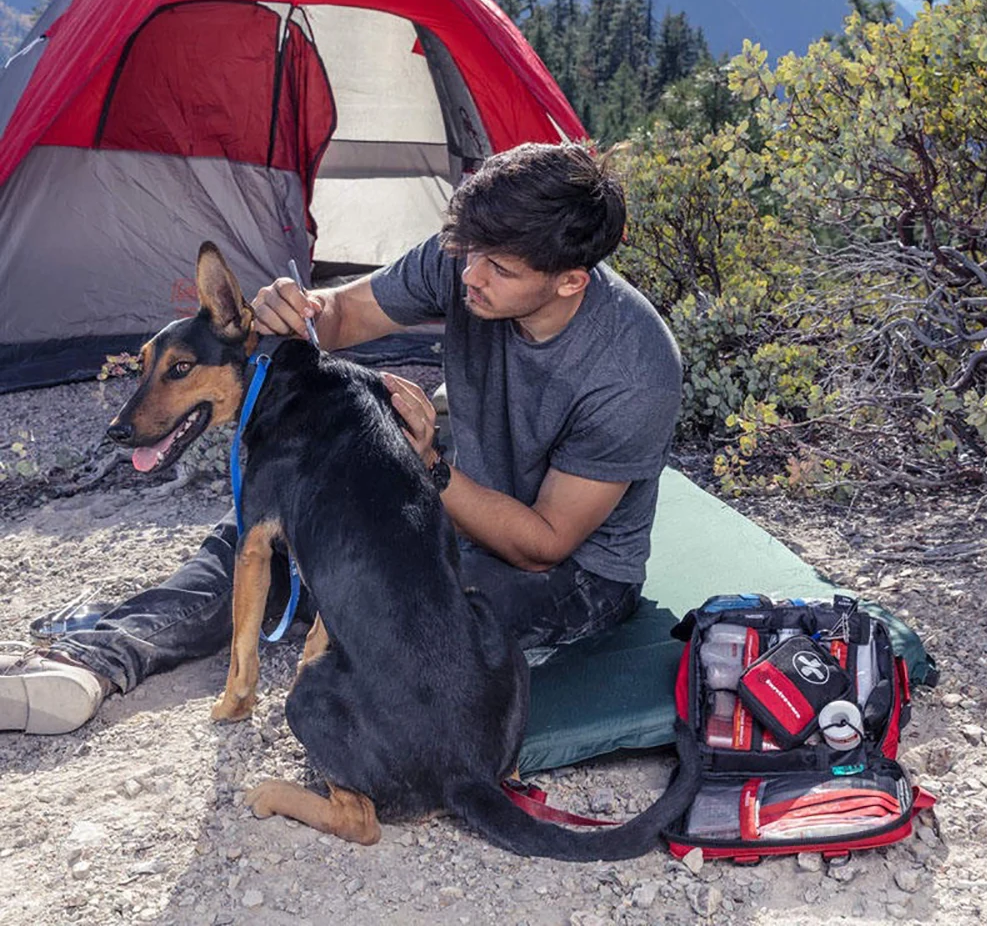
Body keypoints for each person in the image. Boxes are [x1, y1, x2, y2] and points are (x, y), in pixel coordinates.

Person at [0, 142, 682, 735]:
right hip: (452, 508)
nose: (471, 273)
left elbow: (546, 544)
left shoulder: (634, 368)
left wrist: (428, 467)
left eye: (499, 269)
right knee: (266, 531)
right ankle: (92, 661)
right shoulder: (466, 264)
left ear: (570, 280)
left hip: (573, 577)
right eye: (470, 251)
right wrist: (297, 308)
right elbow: (346, 314)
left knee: (391, 592)